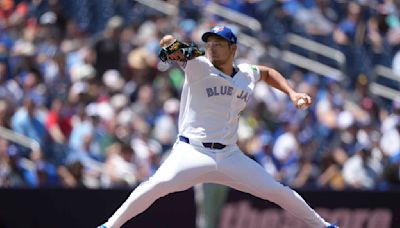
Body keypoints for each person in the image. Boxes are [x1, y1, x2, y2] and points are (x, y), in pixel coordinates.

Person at [98, 25, 338, 228]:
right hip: (192, 152)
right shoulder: (199, 65)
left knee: (277, 190)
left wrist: (292, 93)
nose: (212, 47)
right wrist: (171, 43)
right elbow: (172, 46)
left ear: (233, 49)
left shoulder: (246, 73)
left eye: (219, 43)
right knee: (156, 185)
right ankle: (109, 226)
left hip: (229, 155)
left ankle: (324, 226)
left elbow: (266, 73)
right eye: (209, 42)